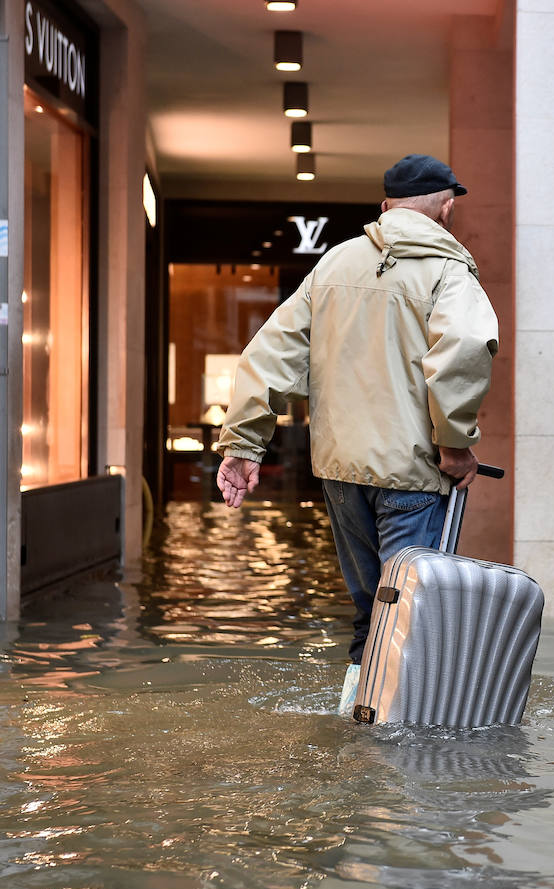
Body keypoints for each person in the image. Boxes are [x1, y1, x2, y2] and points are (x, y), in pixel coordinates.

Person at [212, 154, 500, 711]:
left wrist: (244, 444)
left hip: (342, 473)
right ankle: (401, 750)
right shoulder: (448, 273)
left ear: (386, 205)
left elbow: (268, 355)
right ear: (447, 207)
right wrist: (455, 444)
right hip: (414, 472)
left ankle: (356, 722)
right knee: (412, 613)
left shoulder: (334, 265)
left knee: (372, 609)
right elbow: (463, 350)